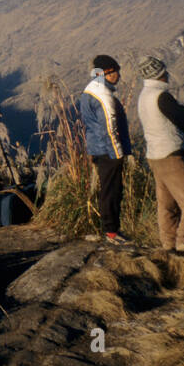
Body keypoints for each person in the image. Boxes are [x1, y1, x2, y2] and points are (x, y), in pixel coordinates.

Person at [136, 56, 184, 252]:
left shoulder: (143, 95)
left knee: (167, 203)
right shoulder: (161, 96)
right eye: (165, 72)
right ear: (161, 75)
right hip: (169, 154)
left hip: (154, 155)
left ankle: (168, 244)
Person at [79, 54, 132, 244]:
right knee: (112, 190)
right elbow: (109, 126)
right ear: (107, 73)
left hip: (97, 147)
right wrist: (118, 153)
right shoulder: (103, 94)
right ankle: (111, 232)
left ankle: (111, 230)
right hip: (108, 151)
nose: (118, 75)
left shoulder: (90, 90)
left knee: (108, 189)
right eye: (116, 71)